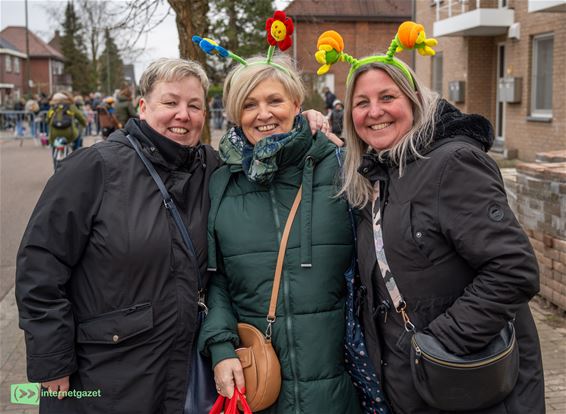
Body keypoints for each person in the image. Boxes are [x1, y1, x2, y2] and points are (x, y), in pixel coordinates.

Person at [15, 57, 334, 414]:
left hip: (177, 372)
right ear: (143, 106)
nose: (182, 114)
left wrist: (305, 126)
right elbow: (40, 266)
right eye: (170, 102)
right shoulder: (95, 168)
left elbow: (270, 153)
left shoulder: (212, 169)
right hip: (100, 374)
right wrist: (52, 358)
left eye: (194, 105)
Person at [330, 23, 544, 413]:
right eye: (361, 103)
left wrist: (438, 344)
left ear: (413, 99)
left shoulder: (452, 163)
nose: (374, 112)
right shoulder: (376, 177)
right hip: (416, 387)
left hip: (472, 381)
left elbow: (513, 270)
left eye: (387, 97)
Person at [197, 51, 363, 412]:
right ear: (236, 115)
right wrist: (221, 347)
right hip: (260, 384)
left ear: (297, 104)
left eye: (275, 100)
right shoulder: (222, 183)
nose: (264, 114)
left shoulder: (340, 167)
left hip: (339, 390)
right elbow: (216, 280)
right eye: (249, 104)